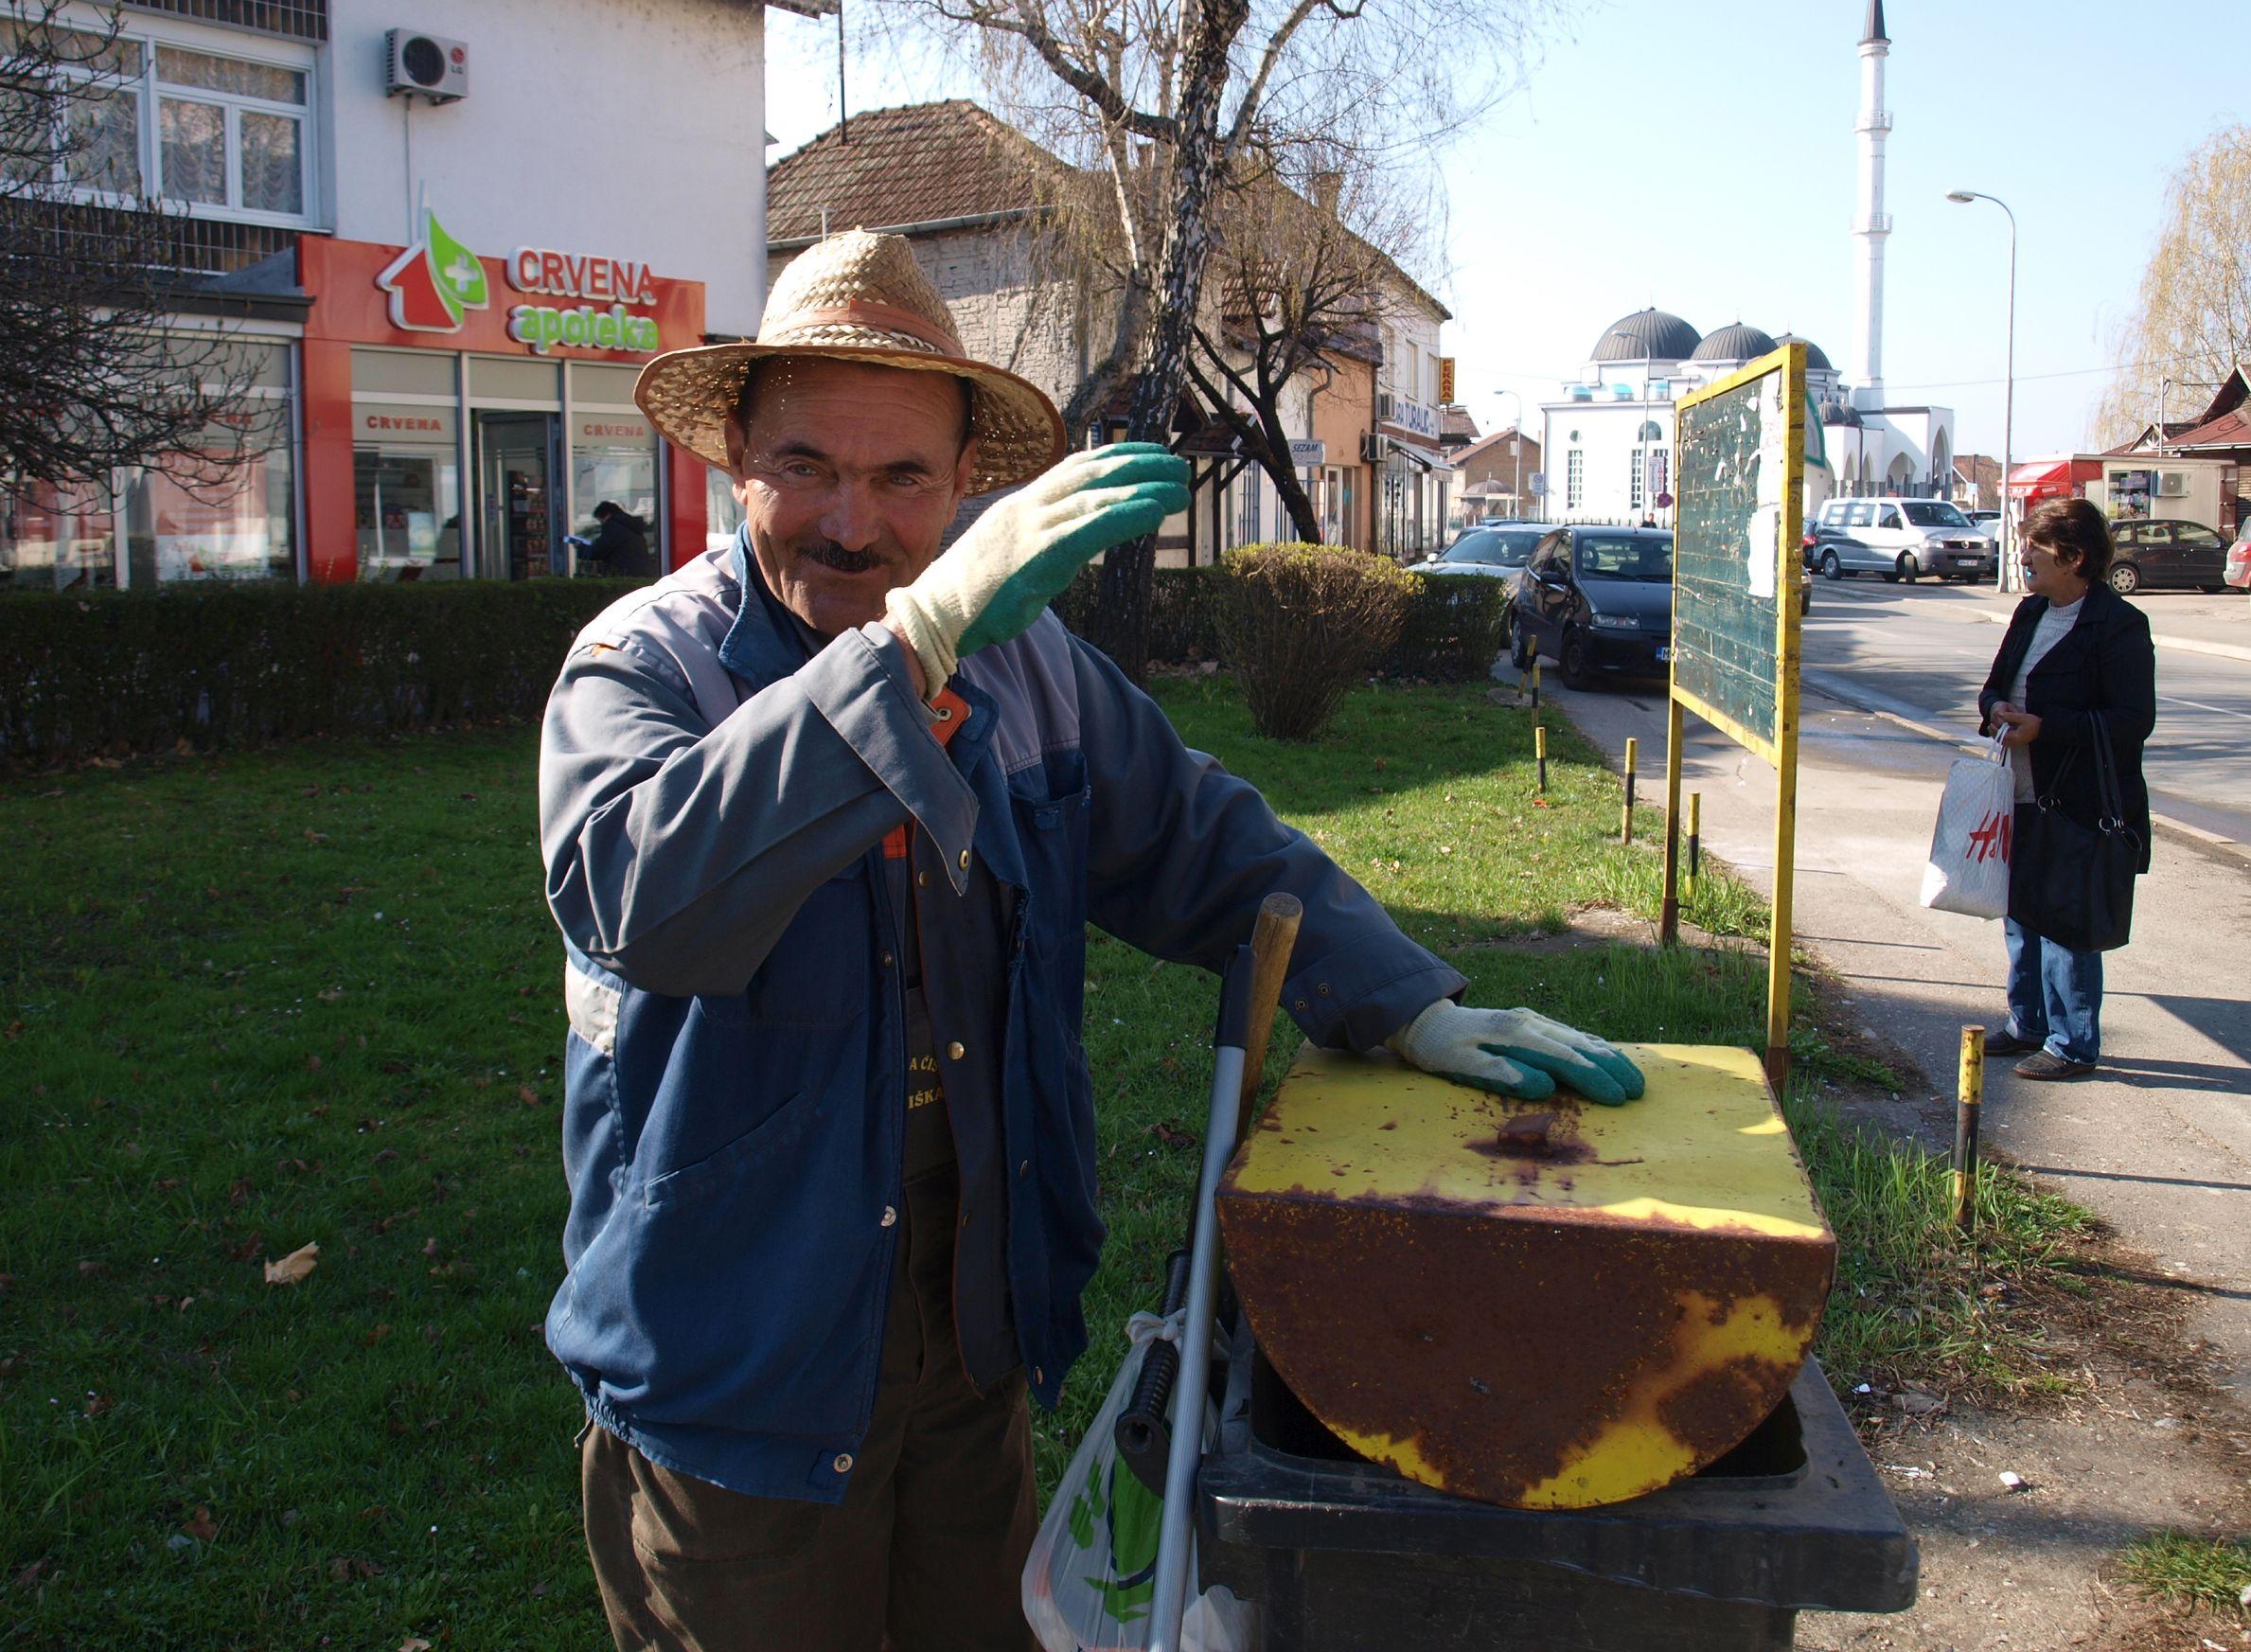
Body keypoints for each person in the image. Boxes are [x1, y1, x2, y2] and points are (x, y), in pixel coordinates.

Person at [538, 228, 1646, 1652]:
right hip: (731, 1359)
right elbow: (645, 897)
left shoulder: (1031, 665)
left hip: (970, 1328)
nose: (851, 524)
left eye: (902, 480)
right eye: (806, 464)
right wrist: (914, 644)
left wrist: (1395, 999)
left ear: (962, 486)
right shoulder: (647, 667)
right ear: (734, 456)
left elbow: (1208, 845)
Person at [1974, 496, 2155, 1081]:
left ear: (2074, 557)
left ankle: (2073, 1044)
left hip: (2078, 802)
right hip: (2018, 790)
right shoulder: (2029, 613)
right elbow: (1993, 687)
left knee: (2066, 923)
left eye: (2036, 546)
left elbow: (2132, 720)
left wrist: (2047, 730)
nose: (2024, 555)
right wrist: (1996, 707)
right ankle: (2026, 1023)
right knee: (2020, 916)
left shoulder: (2120, 625)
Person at [571, 500, 655, 577]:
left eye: (601, 521)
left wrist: (581, 547)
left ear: (607, 515)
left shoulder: (613, 526)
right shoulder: (628, 525)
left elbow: (600, 550)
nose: (601, 524)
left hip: (625, 573)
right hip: (641, 572)